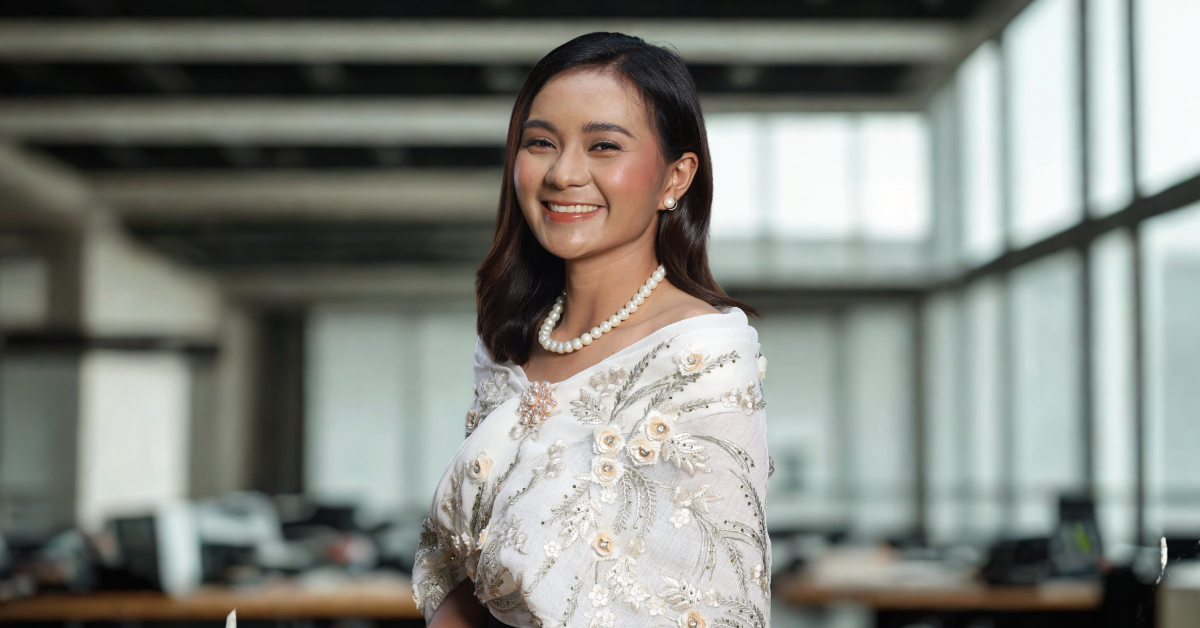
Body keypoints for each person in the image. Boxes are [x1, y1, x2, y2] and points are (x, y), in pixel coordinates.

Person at [414, 32, 771, 628]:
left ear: (675, 178)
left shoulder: (703, 352)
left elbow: (714, 601)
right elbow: (474, 583)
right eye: (540, 143)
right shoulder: (508, 345)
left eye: (604, 146)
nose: (563, 173)